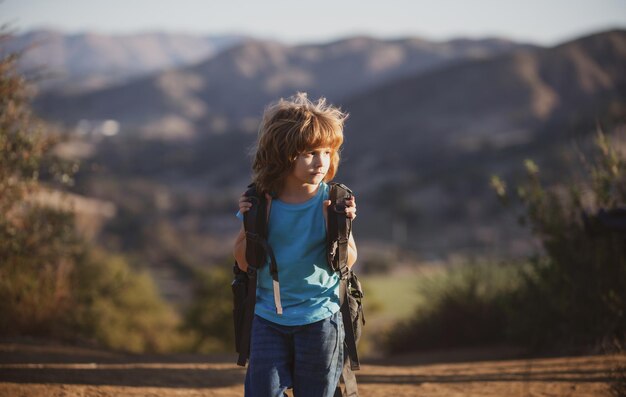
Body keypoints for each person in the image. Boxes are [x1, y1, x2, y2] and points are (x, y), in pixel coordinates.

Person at [233, 92, 357, 397]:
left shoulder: (334, 200)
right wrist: (250, 227)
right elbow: (243, 261)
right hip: (267, 318)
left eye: (327, 152)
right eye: (310, 153)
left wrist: (338, 225)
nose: (321, 161)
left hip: (321, 318)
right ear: (283, 153)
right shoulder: (260, 202)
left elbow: (348, 260)